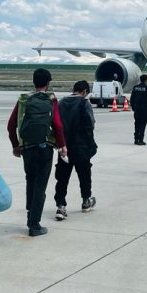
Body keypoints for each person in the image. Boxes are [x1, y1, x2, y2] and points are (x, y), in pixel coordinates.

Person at [7, 68, 67, 237]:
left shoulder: (23, 99)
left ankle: (30, 215)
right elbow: (57, 124)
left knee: (30, 182)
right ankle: (34, 224)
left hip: (27, 148)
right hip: (45, 148)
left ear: (34, 82)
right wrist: (62, 146)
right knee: (40, 185)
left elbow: (11, 125)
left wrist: (15, 145)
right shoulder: (51, 100)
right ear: (48, 83)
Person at [55, 80, 98, 220]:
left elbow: (56, 124)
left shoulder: (61, 103)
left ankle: (61, 206)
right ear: (85, 91)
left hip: (64, 147)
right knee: (84, 175)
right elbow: (90, 124)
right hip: (81, 147)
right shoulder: (84, 103)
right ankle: (86, 201)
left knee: (62, 178)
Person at [129, 74, 147, 145]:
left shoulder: (135, 87)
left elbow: (132, 98)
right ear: (146, 80)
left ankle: (136, 139)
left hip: (137, 108)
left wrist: (133, 106)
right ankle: (140, 139)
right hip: (144, 109)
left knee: (137, 124)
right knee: (143, 125)